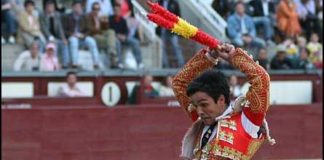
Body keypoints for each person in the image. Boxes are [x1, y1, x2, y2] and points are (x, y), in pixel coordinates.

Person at [172, 43, 274, 159]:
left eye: (204, 104)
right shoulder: (202, 119)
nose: (199, 111)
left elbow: (261, 79)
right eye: (196, 105)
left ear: (221, 100)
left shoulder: (247, 120)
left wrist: (233, 57)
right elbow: (179, 83)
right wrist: (210, 57)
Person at [61, 0, 100, 69]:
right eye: (76, 7)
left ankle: (96, 63)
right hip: (72, 36)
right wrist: (72, 34)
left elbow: (88, 29)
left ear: (81, 8)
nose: (77, 9)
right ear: (72, 8)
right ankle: (74, 63)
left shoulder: (85, 17)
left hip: (82, 37)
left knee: (92, 41)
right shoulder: (67, 17)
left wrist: (83, 35)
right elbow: (64, 30)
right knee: (74, 41)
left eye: (79, 7)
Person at [109, 3, 144, 69]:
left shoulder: (123, 20)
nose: (117, 11)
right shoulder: (110, 20)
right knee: (117, 43)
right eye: (115, 10)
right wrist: (117, 35)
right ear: (113, 11)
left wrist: (124, 36)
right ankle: (119, 63)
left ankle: (139, 63)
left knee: (135, 42)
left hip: (123, 38)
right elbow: (110, 31)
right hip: (114, 38)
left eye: (118, 10)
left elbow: (126, 31)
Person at [87, 2, 118, 68]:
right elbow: (90, 30)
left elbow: (106, 29)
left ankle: (111, 51)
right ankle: (112, 54)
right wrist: (97, 25)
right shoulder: (88, 17)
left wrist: (105, 21)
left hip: (101, 34)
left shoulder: (100, 16)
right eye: (94, 9)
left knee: (111, 31)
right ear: (92, 9)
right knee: (113, 41)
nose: (96, 11)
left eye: (98, 9)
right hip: (93, 36)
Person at [40, 0, 69, 68]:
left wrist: (63, 38)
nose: (50, 8)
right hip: (46, 38)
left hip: (56, 37)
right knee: (54, 44)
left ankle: (65, 64)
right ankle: (54, 64)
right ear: (46, 8)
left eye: (52, 7)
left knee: (64, 44)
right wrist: (51, 38)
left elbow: (60, 28)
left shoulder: (57, 15)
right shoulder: (43, 16)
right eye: (48, 7)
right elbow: (44, 29)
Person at [156, 0, 184, 68]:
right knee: (162, 47)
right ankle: (165, 65)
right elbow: (156, 13)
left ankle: (181, 64)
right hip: (162, 27)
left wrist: (178, 28)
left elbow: (178, 17)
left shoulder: (174, 3)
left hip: (172, 28)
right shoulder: (160, 2)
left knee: (176, 46)